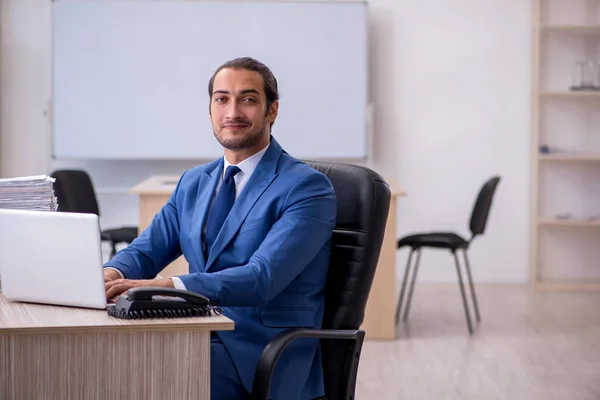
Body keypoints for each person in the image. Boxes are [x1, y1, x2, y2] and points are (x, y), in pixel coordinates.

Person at [103, 57, 337, 400]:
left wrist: (171, 286)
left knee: (155, 373)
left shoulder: (306, 187)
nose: (233, 112)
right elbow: (146, 250)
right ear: (211, 109)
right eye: (222, 99)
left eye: (248, 99)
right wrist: (111, 272)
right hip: (197, 328)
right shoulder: (194, 182)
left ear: (272, 111)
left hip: (263, 347)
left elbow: (262, 278)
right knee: (108, 359)